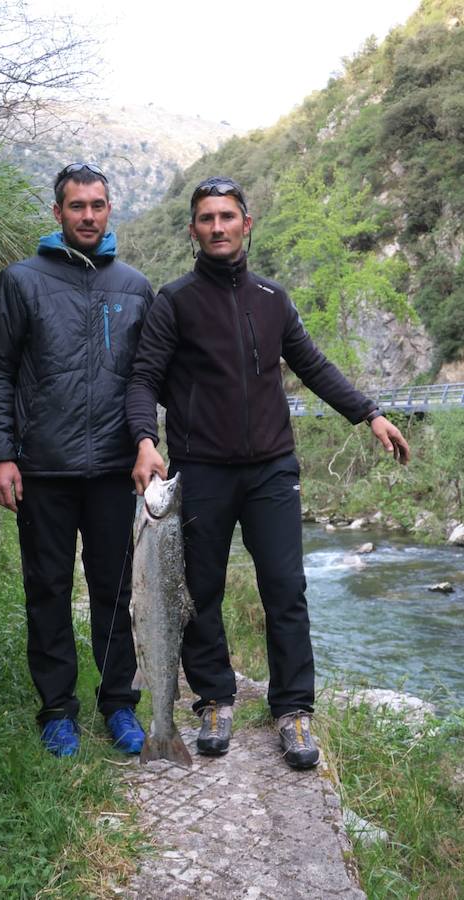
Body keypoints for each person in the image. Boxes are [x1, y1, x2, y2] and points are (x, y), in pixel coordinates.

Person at [126, 176, 410, 769]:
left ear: (246, 224)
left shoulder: (272, 298)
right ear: (194, 231)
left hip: (272, 471)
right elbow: (144, 377)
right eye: (206, 218)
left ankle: (294, 711)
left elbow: (311, 363)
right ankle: (212, 698)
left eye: (228, 216)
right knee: (198, 592)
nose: (218, 227)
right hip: (200, 470)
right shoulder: (173, 301)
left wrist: (370, 413)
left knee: (286, 589)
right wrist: (146, 441)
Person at [0, 162, 153, 758]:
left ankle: (119, 706)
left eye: (97, 205)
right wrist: (0, 454)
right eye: (76, 206)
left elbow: (147, 378)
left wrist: (148, 442)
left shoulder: (134, 286)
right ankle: (57, 711)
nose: (87, 215)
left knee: (115, 589)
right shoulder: (21, 281)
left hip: (112, 468)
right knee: (47, 588)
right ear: (57, 213)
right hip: (43, 467)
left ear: (110, 210)